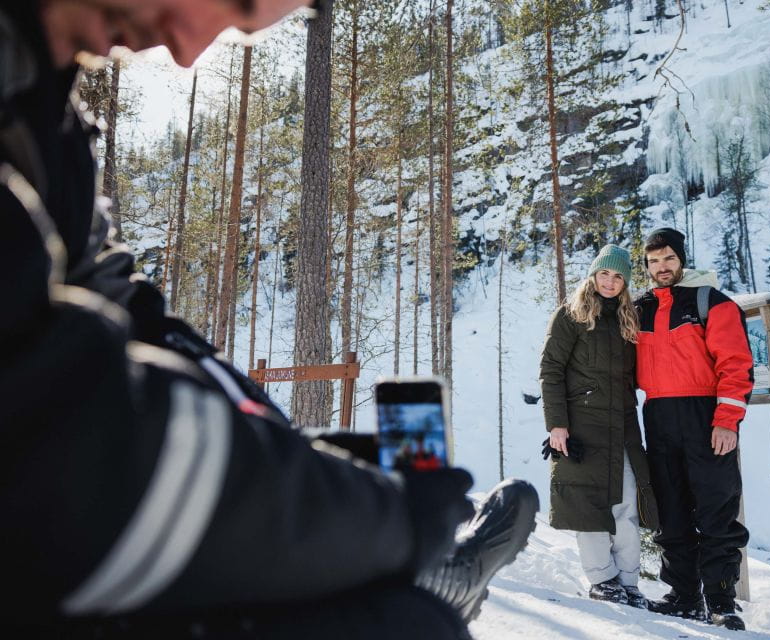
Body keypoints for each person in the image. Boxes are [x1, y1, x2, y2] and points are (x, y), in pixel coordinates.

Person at [0, 1, 538, 636]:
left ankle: (426, 576)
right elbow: (45, 437)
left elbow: (127, 309)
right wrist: (376, 518)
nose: (188, 52)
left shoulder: (45, 116)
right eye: (236, 4)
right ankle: (432, 572)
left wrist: (288, 452)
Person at [634, 228, 753, 631]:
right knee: (671, 512)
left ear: (681, 259)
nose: (661, 267)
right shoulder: (638, 310)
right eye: (653, 261)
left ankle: (721, 601)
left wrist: (727, 422)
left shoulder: (711, 303)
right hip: (658, 417)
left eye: (668, 258)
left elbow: (735, 365)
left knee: (717, 510)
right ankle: (682, 596)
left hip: (705, 417)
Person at [539, 244, 658, 607]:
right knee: (589, 505)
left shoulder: (628, 320)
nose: (610, 282)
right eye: (604, 274)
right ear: (593, 275)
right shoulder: (570, 316)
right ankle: (602, 579)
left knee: (626, 505)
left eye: (618, 276)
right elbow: (551, 371)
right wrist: (557, 425)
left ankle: (628, 581)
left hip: (622, 425)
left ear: (625, 283)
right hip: (581, 428)